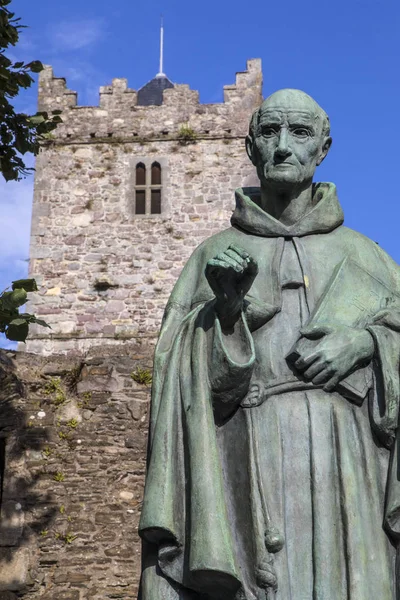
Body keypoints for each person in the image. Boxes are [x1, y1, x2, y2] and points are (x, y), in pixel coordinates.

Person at [137, 89, 400, 600]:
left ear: (322, 148)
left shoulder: (366, 255)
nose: (283, 147)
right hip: (241, 448)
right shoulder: (213, 254)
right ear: (251, 147)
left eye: (299, 133)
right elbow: (177, 379)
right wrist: (226, 314)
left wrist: (367, 343)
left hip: (346, 461)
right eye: (269, 133)